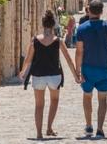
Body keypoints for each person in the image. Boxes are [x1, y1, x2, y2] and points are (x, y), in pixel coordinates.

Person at [19, 10, 80, 140]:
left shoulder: (35, 40)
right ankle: (49, 127)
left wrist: (23, 72)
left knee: (39, 105)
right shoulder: (58, 41)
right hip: (54, 76)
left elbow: (28, 59)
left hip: (38, 76)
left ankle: (39, 133)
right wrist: (76, 75)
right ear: (54, 25)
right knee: (54, 100)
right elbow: (68, 59)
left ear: (43, 24)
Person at [76, 0, 107, 139]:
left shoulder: (82, 28)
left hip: (87, 68)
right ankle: (100, 129)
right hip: (104, 68)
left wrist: (77, 70)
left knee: (87, 96)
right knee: (102, 99)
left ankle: (89, 125)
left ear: (89, 10)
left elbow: (79, 51)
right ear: (102, 12)